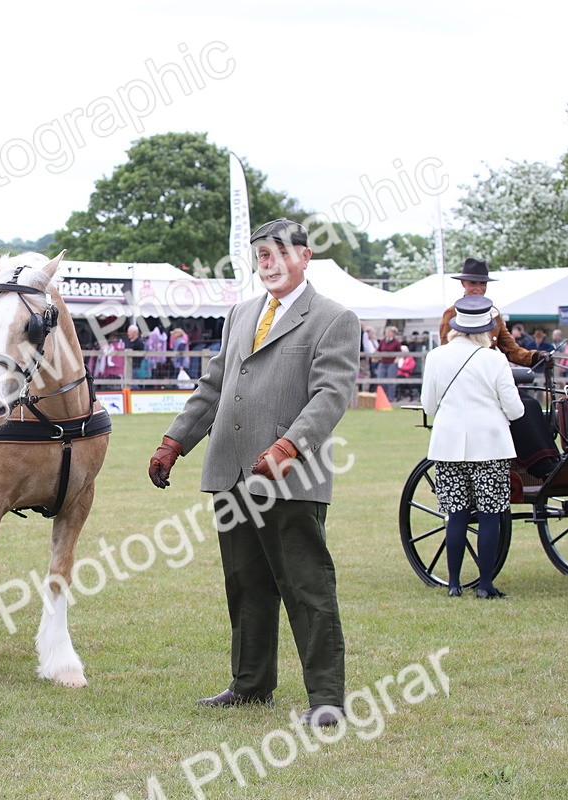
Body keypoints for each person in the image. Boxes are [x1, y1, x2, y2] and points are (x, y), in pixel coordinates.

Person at [146, 219, 360, 727]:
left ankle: (326, 699)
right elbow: (214, 384)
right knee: (245, 585)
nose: (269, 262)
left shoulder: (333, 317)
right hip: (230, 470)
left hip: (291, 478)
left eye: (279, 252)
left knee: (307, 587)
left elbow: (332, 395)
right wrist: (175, 441)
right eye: (261, 254)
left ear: (305, 257)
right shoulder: (241, 314)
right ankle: (250, 686)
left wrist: (288, 447)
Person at [421, 296, 524, 599]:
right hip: (489, 445)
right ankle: (484, 584)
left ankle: (453, 584)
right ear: (486, 330)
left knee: (456, 514)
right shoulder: (494, 360)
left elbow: (428, 404)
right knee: (490, 514)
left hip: (448, 445)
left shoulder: (436, 356)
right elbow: (515, 410)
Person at [438, 259, 543, 369]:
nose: (478, 289)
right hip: (461, 374)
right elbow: (446, 352)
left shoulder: (493, 314)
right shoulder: (451, 314)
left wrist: (537, 356)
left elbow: (511, 350)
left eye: (483, 283)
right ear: (463, 283)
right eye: (472, 283)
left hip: (488, 374)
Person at [374, 326, 402, 401]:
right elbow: (378, 350)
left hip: (391, 363)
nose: (387, 334)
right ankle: (382, 397)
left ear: (393, 333)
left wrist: (397, 359)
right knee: (380, 379)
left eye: (389, 332)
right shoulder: (383, 341)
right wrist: (378, 356)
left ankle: (391, 398)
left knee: (391, 380)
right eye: (386, 332)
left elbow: (399, 352)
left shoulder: (396, 342)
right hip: (383, 362)